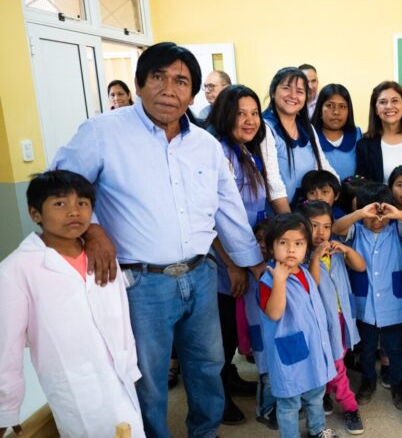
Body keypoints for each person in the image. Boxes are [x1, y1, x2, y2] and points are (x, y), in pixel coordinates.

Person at [51, 42, 264, 437]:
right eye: (158, 77)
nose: (169, 89)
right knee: (146, 376)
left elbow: (229, 211)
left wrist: (255, 264)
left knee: (207, 366)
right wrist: (93, 229)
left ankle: (206, 431)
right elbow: (60, 185)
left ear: (193, 93)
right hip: (142, 282)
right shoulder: (102, 132)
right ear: (140, 83)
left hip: (201, 275)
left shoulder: (205, 146)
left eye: (181, 81)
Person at [0, 170, 144, 438]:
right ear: (35, 214)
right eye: (59, 203)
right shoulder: (16, 269)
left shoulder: (101, 255)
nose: (74, 211)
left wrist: (129, 361)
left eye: (83, 203)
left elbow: (121, 315)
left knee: (130, 431)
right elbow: (6, 348)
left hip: (119, 374)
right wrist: (6, 410)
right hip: (73, 384)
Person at [205, 84, 270, 425]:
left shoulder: (247, 151)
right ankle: (217, 399)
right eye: (241, 113)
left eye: (254, 113)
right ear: (225, 114)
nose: (249, 120)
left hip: (247, 255)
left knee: (232, 327)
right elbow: (212, 219)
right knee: (223, 331)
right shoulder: (218, 152)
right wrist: (231, 265)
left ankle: (228, 376)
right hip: (225, 262)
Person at [331, 182, 402, 409]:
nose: (378, 221)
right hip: (365, 304)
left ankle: (398, 384)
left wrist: (397, 213)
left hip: (392, 303)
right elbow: (336, 228)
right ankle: (368, 381)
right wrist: (361, 213)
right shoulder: (357, 230)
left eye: (383, 216)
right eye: (372, 216)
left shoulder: (395, 229)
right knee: (368, 348)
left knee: (394, 347)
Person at [256, 213, 338, 438]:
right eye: (284, 243)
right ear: (272, 248)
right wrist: (280, 282)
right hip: (289, 353)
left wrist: (314, 261)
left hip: (312, 348)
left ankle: (317, 430)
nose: (291, 249)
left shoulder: (302, 271)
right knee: (289, 403)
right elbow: (274, 312)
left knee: (315, 394)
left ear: (306, 247)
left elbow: (313, 285)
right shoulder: (268, 280)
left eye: (298, 244)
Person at [299, 201, 367, 434]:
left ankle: (326, 394)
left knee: (334, 361)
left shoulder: (336, 251)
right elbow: (312, 285)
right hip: (320, 323)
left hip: (341, 319)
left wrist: (347, 250)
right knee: (337, 365)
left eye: (326, 227)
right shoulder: (301, 256)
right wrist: (315, 257)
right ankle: (350, 407)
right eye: (314, 226)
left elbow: (360, 266)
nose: (321, 232)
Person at [262, 67, 338, 207]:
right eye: (286, 88)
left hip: (307, 213)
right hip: (279, 217)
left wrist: (338, 191)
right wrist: (290, 222)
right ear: (273, 92)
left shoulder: (307, 128)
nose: (293, 95)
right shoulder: (265, 128)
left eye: (300, 91)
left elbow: (323, 165)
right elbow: (272, 182)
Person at [311, 84, 362, 180]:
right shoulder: (310, 136)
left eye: (342, 106)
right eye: (329, 105)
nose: (336, 112)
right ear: (320, 109)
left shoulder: (357, 135)